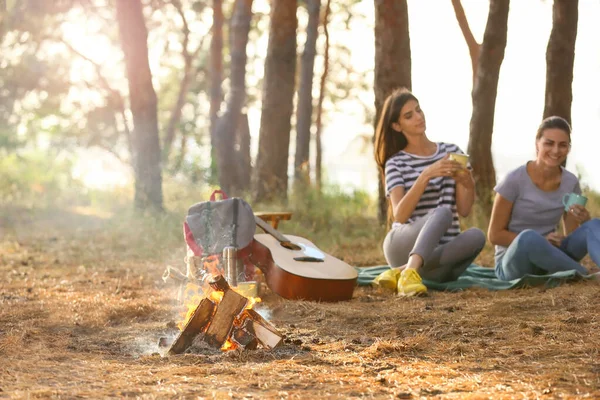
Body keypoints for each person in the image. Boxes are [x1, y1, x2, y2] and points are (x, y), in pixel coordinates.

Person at [373, 88, 486, 296]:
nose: (418, 117)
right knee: (442, 212)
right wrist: (425, 176)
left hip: (440, 250)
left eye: (418, 110)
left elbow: (464, 210)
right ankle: (410, 270)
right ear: (397, 126)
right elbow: (400, 214)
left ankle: (405, 272)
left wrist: (467, 183)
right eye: (409, 115)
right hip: (402, 243)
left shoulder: (451, 152)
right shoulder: (395, 162)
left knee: (477, 236)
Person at [488, 116, 600, 280]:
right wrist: (540, 240)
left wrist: (584, 220)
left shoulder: (570, 182)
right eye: (549, 143)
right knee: (528, 237)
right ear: (537, 144)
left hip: (551, 255)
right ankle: (584, 276)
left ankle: (570, 270)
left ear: (568, 148)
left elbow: (571, 234)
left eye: (562, 145)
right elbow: (494, 235)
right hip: (513, 264)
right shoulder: (513, 180)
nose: (556, 150)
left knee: (594, 224)